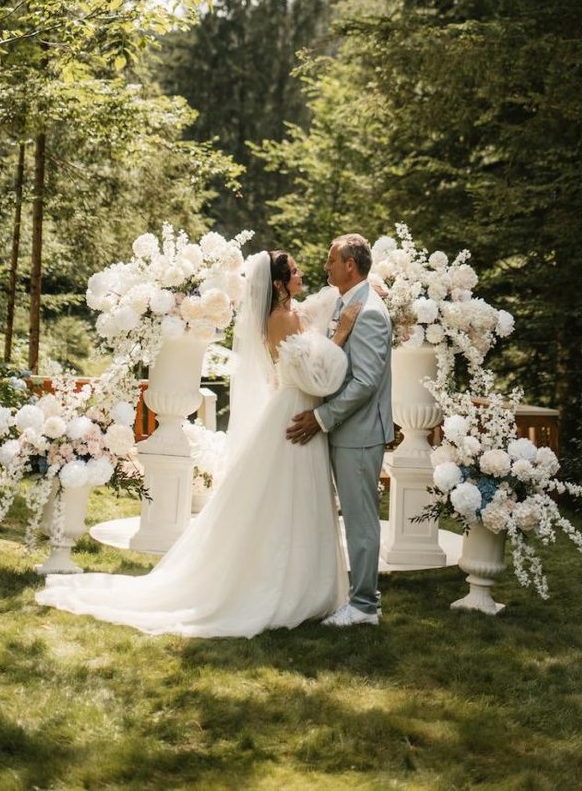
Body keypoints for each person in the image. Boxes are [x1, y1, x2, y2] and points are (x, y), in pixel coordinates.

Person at [35, 250, 360, 638]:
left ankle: (300, 583)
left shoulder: (282, 315)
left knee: (285, 500)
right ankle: (292, 588)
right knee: (291, 500)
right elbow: (317, 379)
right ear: (278, 283)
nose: (301, 273)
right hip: (296, 412)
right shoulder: (285, 319)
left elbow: (315, 311)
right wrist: (341, 335)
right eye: (293, 271)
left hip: (287, 408)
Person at [286, 233, 393, 628]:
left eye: (332, 260)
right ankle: (360, 599)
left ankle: (364, 606)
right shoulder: (349, 303)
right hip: (348, 432)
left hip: (360, 433)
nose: (326, 266)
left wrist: (321, 418)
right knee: (354, 518)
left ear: (351, 265)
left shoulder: (369, 312)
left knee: (361, 521)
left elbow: (365, 381)